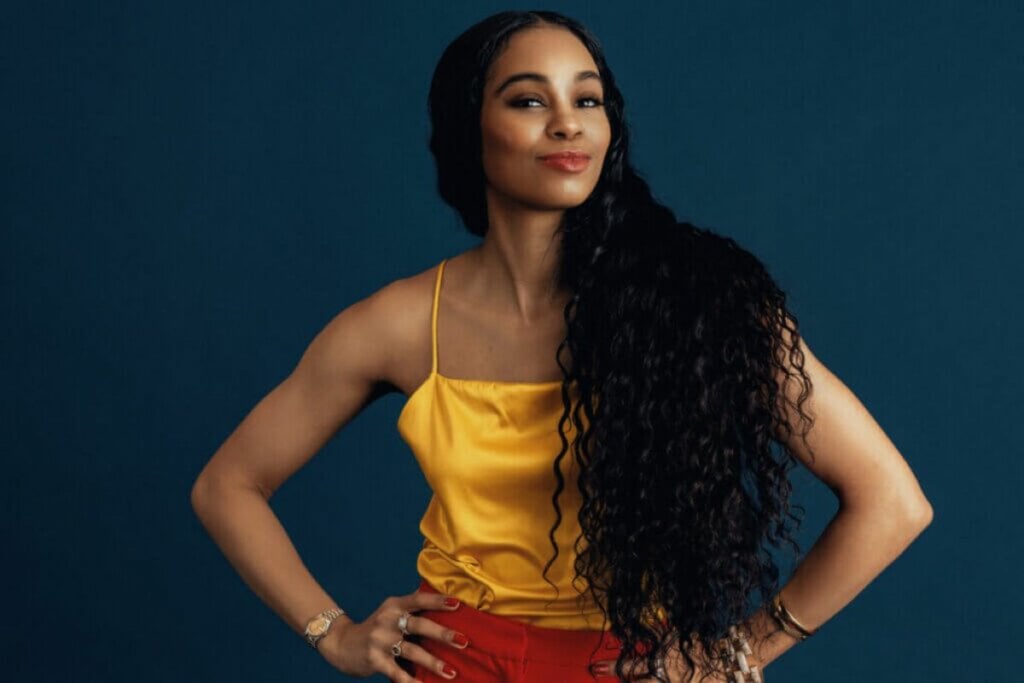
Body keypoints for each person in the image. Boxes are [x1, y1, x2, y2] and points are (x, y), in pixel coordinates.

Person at [190, 10, 934, 683]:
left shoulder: (697, 298)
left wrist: (744, 649)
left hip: (635, 664)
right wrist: (335, 633)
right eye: (527, 100)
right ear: (466, 127)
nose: (568, 124)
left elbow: (893, 503)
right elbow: (228, 484)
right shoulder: (397, 322)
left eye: (586, 99)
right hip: (456, 664)